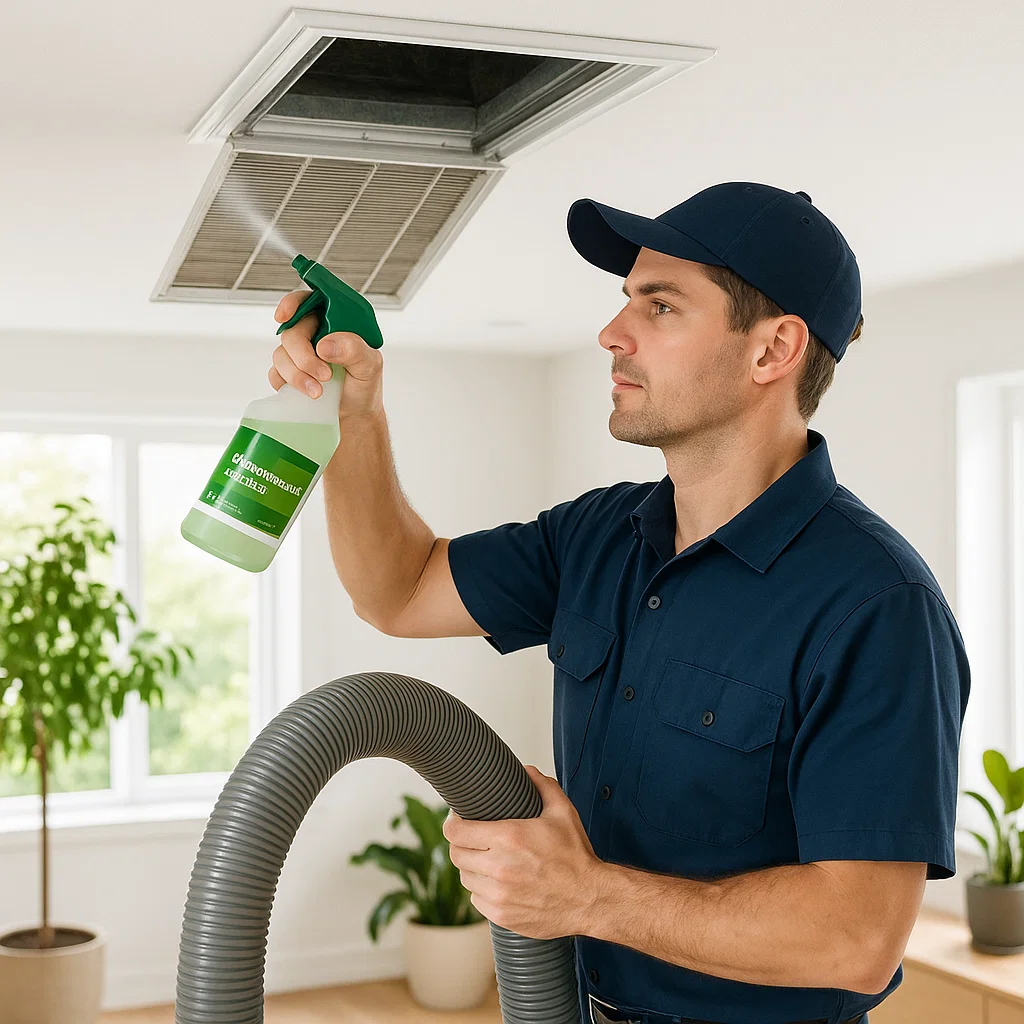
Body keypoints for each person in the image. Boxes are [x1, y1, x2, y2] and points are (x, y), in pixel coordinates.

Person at [268, 182, 971, 1024]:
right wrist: (354, 414)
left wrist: (586, 895)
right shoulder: (599, 535)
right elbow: (401, 589)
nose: (611, 332)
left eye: (660, 306)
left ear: (772, 350)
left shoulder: (877, 605)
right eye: (626, 299)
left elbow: (856, 939)